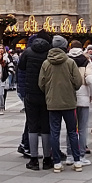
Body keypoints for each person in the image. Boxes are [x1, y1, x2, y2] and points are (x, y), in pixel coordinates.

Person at [39, 35, 83, 172]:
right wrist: (71, 88)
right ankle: (77, 161)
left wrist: (49, 92)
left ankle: (57, 162)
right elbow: (78, 82)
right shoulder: (70, 62)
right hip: (69, 102)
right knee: (72, 132)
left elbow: (41, 83)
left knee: (54, 132)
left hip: (52, 102)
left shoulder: (46, 63)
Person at [22, 31, 54, 170]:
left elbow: (21, 67)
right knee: (46, 126)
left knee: (32, 126)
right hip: (46, 93)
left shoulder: (28, 52)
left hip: (31, 93)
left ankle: (33, 159)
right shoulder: (49, 53)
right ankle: (47, 159)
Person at [68, 43, 92, 163]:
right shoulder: (86, 61)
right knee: (82, 128)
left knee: (71, 128)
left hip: (69, 97)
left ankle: (70, 154)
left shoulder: (67, 60)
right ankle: (81, 155)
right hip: (84, 97)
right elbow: (91, 79)